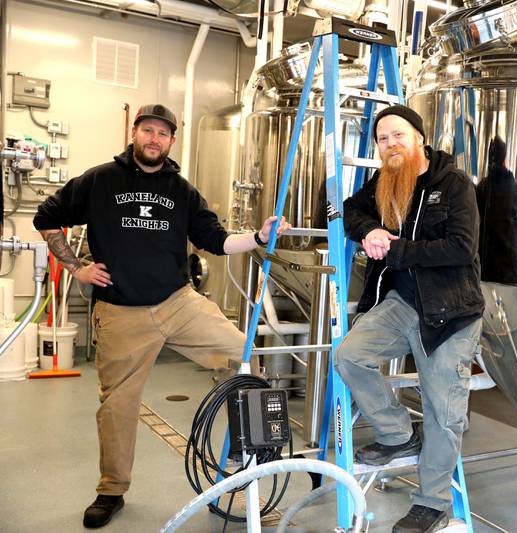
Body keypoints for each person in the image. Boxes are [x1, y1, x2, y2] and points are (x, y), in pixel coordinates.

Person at [32, 104, 289, 529]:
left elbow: (217, 241)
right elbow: (46, 218)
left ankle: (251, 458)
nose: (154, 139)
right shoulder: (99, 180)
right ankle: (111, 490)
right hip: (121, 312)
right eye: (147, 130)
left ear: (172, 141)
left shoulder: (182, 191)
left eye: (163, 134)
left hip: (178, 303)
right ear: (134, 133)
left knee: (243, 356)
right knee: (117, 405)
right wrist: (77, 267)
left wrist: (258, 238)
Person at [335, 105, 484, 533]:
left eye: (398, 135)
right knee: (349, 356)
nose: (390, 145)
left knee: (443, 410)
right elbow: (348, 208)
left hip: (451, 310)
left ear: (419, 137)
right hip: (401, 304)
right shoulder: (385, 182)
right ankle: (399, 432)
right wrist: (368, 230)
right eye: (382, 139)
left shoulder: (452, 184)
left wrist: (396, 248)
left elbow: (460, 249)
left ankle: (433, 503)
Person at [476, 136, 517, 284]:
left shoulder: (482, 188)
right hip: (509, 267)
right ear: (505, 160)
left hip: (486, 267)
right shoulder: (514, 189)